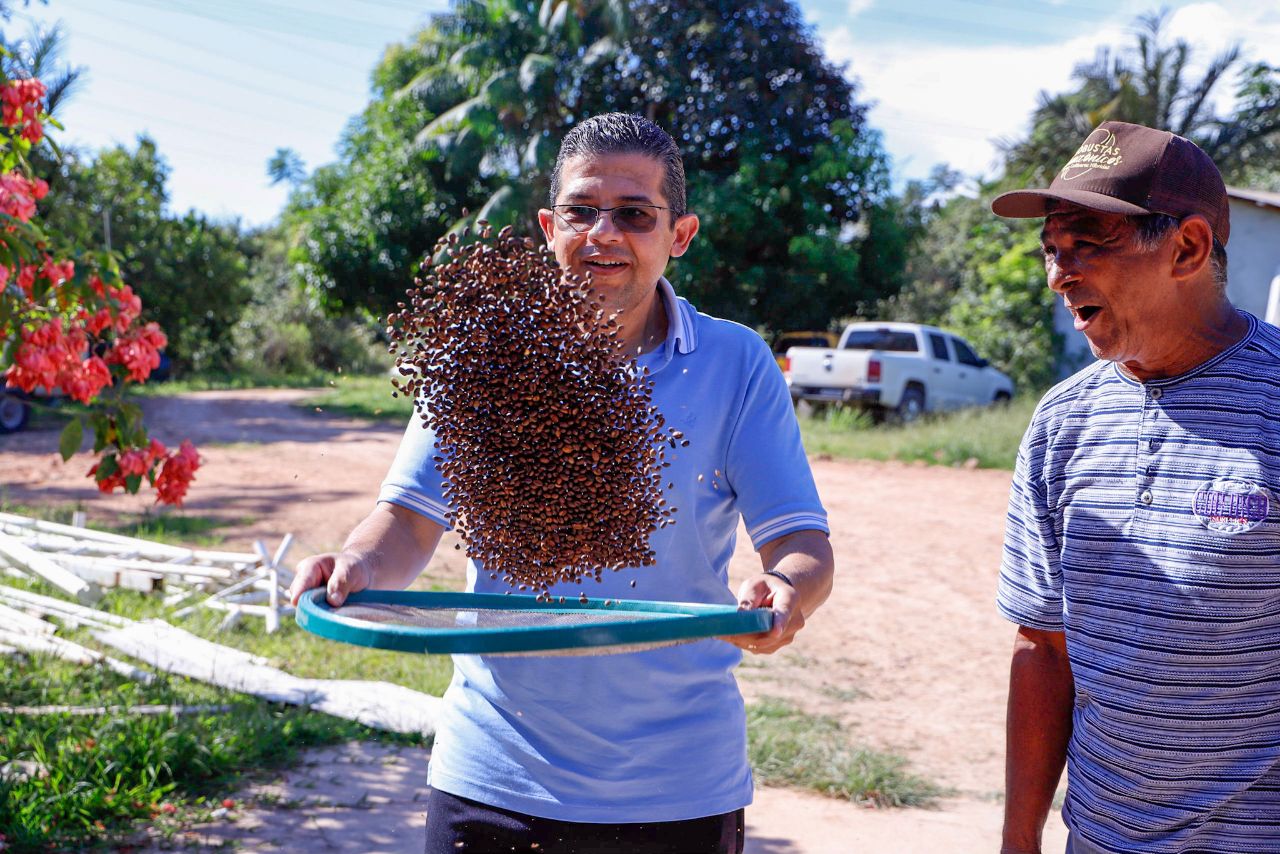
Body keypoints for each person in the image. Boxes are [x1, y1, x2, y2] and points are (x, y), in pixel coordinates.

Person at [288, 112, 834, 854]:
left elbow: (799, 538)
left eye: (634, 215)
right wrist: (354, 562)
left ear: (680, 234)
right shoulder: (480, 355)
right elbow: (410, 521)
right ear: (550, 226)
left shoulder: (735, 364)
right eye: (582, 211)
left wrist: (787, 586)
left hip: (678, 785)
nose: (603, 233)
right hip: (493, 776)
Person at [991, 120, 1280, 854]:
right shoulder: (1063, 423)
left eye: (1087, 242)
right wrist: (1018, 839)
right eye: (1052, 249)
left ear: (1186, 248)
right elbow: (1044, 648)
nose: (1060, 274)